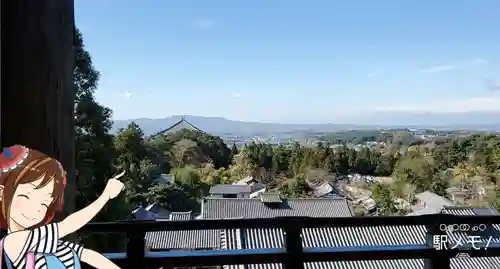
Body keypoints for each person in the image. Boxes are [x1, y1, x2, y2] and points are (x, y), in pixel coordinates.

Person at [0, 145, 125, 269]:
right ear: (2, 193)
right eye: (26, 196)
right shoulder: (13, 242)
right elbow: (66, 226)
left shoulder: (42, 242)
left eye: (44, 203)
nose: (36, 209)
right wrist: (105, 196)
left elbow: (87, 255)